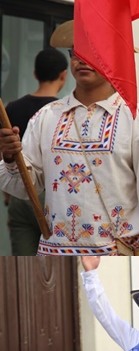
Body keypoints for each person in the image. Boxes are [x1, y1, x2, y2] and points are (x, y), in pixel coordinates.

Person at [0, 21, 139, 255]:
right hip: (54, 256)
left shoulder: (136, 118)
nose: (82, 59)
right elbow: (23, 188)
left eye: (93, 51)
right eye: (76, 52)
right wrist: (11, 158)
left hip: (114, 255)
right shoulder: (46, 117)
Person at [2, 47, 67, 255]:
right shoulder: (61, 114)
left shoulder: (12, 108)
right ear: (63, 76)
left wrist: (8, 195)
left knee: (22, 259)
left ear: (35, 74)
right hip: (51, 199)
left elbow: (5, 155)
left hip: (18, 199)